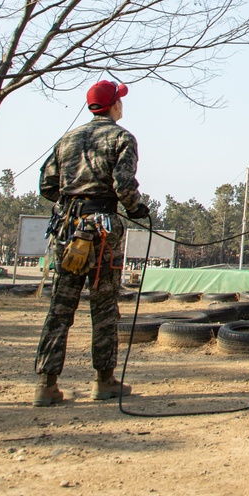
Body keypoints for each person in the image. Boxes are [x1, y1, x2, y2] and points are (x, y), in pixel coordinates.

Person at [33, 80, 150, 406]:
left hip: (68, 231)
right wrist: (137, 208)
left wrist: (72, 203)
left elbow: (47, 185)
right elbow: (124, 184)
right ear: (114, 106)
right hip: (103, 233)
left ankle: (46, 385)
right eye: (120, 101)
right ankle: (104, 381)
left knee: (60, 309)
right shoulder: (122, 138)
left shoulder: (67, 139)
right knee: (104, 309)